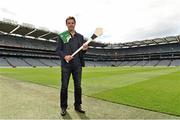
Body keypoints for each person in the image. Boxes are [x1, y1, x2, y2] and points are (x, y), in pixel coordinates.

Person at [56, 16, 88, 116]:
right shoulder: (62, 36)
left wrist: (84, 49)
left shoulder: (80, 37)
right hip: (66, 65)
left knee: (78, 86)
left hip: (77, 65)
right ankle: (63, 107)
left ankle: (78, 105)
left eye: (72, 23)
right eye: (69, 23)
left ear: (75, 24)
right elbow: (58, 50)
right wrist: (65, 56)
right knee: (64, 86)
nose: (71, 24)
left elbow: (82, 53)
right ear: (66, 24)